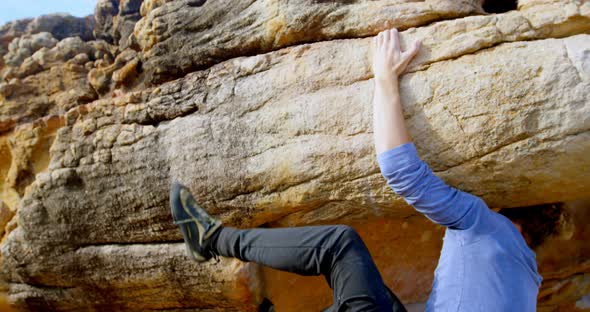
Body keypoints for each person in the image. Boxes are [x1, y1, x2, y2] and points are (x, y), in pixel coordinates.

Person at [170, 28, 548, 312]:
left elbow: (400, 170)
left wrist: (385, 79)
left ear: (508, 205)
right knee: (380, 298)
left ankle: (211, 239)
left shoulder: (483, 223)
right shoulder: (529, 287)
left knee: (340, 246)